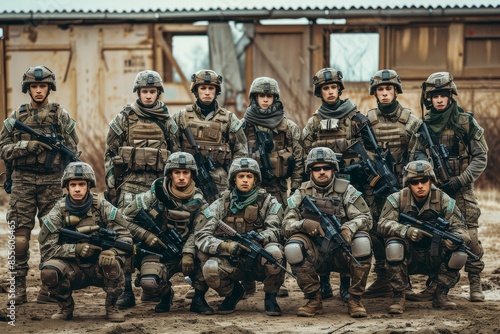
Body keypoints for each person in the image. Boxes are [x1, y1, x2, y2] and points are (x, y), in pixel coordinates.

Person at [0, 65, 79, 305]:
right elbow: (3, 148)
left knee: (52, 236)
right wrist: (26, 147)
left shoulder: (60, 116)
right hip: (23, 181)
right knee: (19, 237)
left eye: (42, 86)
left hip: (51, 182)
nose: (38, 90)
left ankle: (50, 288)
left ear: (49, 88)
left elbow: (72, 151)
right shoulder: (16, 117)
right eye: (34, 86)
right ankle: (17, 289)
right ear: (28, 88)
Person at [104, 69, 180, 308]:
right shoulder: (123, 119)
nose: (148, 96)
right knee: (125, 236)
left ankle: (153, 284)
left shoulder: (168, 122)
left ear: (158, 93)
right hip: (130, 186)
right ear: (138, 92)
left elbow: (178, 157)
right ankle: (126, 289)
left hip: (158, 188)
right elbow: (110, 155)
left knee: (159, 235)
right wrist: (112, 187)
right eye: (144, 91)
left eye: (152, 91)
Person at [411, 72, 488, 302]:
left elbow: (480, 156)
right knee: (438, 236)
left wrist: (461, 180)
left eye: (444, 95)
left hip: (462, 190)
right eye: (435, 96)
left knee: (470, 236)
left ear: (451, 95)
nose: (440, 100)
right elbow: (415, 157)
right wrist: (430, 176)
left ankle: (475, 283)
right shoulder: (424, 126)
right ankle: (435, 284)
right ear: (429, 99)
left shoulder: (465, 122)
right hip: (436, 191)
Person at [282, 147, 373, 318]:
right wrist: (304, 224)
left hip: (341, 249)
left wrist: (348, 228)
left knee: (362, 243)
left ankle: (355, 299)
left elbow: (366, 218)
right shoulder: (301, 193)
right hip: (315, 251)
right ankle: (313, 300)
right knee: (293, 247)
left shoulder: (346, 190)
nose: (321, 172)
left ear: (334, 169)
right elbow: (286, 225)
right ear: (310, 171)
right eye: (316, 168)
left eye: (326, 168)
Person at [120, 152, 214, 314]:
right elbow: (122, 220)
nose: (182, 177)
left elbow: (201, 231)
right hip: (158, 251)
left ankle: (199, 298)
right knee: (149, 283)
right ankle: (165, 294)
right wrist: (145, 235)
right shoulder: (153, 196)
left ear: (192, 174)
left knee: (208, 257)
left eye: (186, 172)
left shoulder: (200, 201)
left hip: (188, 252)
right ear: (170, 174)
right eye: (177, 172)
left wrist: (188, 252)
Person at [38, 162, 132, 321]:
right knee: (49, 271)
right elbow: (47, 248)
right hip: (73, 267)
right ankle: (65, 308)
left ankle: (112, 307)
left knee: (113, 263)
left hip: (99, 267)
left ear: (89, 186)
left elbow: (125, 236)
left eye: (81, 184)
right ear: (66, 187)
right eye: (72, 184)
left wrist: (111, 252)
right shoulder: (58, 211)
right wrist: (75, 249)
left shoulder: (102, 206)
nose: (77, 189)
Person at [194, 157, 285, 316]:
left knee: (275, 253)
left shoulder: (268, 202)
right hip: (231, 260)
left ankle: (270, 297)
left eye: (249, 177)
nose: (245, 180)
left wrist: (260, 238)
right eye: (241, 176)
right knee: (210, 268)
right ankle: (233, 293)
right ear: (233, 179)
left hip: (257, 258)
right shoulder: (221, 204)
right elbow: (201, 235)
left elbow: (277, 230)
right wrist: (224, 246)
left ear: (255, 180)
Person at [377, 160, 471, 313]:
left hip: (434, 254)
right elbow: (382, 224)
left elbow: (461, 227)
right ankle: (399, 295)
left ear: (431, 180)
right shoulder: (397, 199)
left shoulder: (443, 199)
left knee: (459, 252)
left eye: (424, 181)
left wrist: (455, 239)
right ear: (408, 184)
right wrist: (405, 231)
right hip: (408, 253)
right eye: (415, 182)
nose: (420, 185)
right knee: (394, 246)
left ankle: (440, 293)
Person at [302, 68, 363, 301]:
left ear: (339, 89)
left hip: (347, 183)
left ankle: (346, 284)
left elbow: (366, 151)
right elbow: (304, 153)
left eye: (333, 87)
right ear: (320, 92)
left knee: (344, 229)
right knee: (321, 231)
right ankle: (324, 283)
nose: (330, 92)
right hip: (320, 185)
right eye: (325, 88)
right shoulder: (314, 122)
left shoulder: (354, 118)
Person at [241, 76, 304, 297]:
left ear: (275, 98)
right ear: (254, 98)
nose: (265, 100)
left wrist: (295, 189)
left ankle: (278, 280)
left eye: (269, 96)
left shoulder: (289, 127)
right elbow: (237, 159)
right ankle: (247, 278)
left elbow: (298, 161)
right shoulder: (243, 127)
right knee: (248, 229)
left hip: (278, 188)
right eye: (261, 96)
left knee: (278, 232)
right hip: (249, 189)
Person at [362, 69, 422, 298]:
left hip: (402, 187)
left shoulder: (411, 121)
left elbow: (418, 156)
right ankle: (382, 278)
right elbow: (361, 154)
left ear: (396, 91)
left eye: (389, 89)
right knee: (376, 230)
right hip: (375, 187)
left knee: (402, 231)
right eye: (380, 90)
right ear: (375, 93)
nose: (385, 94)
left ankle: (404, 281)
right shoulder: (367, 121)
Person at [172, 69, 248, 196]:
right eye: (203, 88)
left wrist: (233, 177)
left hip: (219, 181)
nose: (207, 92)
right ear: (196, 90)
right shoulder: (181, 117)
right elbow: (172, 146)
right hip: (186, 180)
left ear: (216, 91)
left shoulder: (228, 118)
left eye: (211, 88)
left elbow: (241, 150)